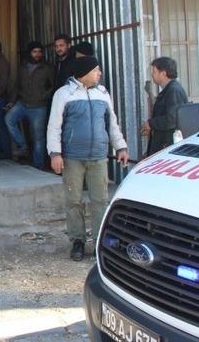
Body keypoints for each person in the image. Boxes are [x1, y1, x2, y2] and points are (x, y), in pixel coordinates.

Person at [47, 56, 129, 261]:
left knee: (100, 200)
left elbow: (112, 123)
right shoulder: (64, 94)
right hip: (73, 158)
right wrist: (55, 153)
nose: (99, 74)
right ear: (84, 73)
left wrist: (121, 146)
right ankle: (78, 241)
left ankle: (101, 242)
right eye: (96, 70)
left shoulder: (102, 94)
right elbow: (54, 126)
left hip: (98, 157)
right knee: (74, 200)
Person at [5, 41, 54, 169]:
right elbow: (17, 85)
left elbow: (54, 86)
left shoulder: (47, 68)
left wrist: (44, 96)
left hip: (39, 107)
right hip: (22, 103)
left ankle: (39, 167)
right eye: (34, 52)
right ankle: (23, 146)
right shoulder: (23, 67)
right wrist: (11, 101)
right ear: (30, 53)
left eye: (39, 52)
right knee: (9, 119)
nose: (37, 54)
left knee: (38, 138)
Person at [142, 56, 189, 156]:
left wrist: (151, 124)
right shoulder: (168, 90)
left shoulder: (173, 90)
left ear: (163, 73)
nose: (152, 74)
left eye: (154, 71)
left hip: (168, 145)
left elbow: (171, 119)